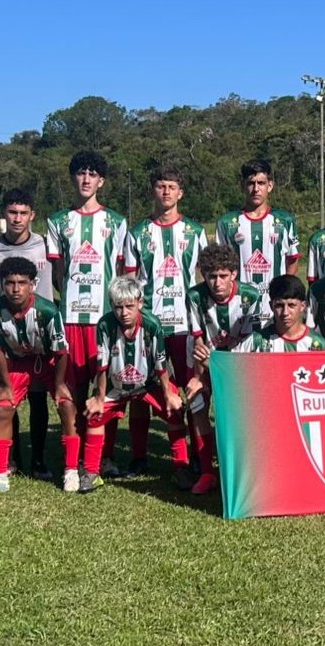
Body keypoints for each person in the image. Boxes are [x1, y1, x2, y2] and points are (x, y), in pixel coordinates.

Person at [46, 151, 129, 475]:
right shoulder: (58, 222)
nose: (85, 179)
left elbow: (122, 270)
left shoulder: (116, 223)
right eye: (80, 173)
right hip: (70, 319)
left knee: (105, 387)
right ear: (73, 178)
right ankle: (74, 455)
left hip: (104, 320)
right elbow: (57, 272)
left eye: (92, 174)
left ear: (101, 181)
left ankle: (103, 455)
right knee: (72, 389)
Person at [122, 167, 208, 477]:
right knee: (140, 389)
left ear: (180, 192)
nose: (166, 192)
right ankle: (139, 455)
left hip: (185, 325)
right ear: (153, 191)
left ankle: (195, 456)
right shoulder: (138, 232)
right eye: (161, 186)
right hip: (148, 326)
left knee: (192, 388)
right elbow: (130, 280)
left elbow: (202, 280)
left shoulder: (195, 231)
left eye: (172, 187)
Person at [0, 257, 79, 495]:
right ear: (2, 284)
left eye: (22, 282)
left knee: (67, 404)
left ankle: (71, 470)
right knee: (2, 406)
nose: (15, 288)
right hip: (17, 363)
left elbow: (61, 351)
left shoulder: (48, 310)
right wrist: (5, 383)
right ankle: (0, 474)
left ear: (33, 284)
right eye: (10, 282)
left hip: (49, 361)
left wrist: (61, 384)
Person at [0, 188, 55, 480]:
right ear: (4, 214)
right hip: (7, 337)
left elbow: (59, 280)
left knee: (38, 399)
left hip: (40, 337)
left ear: (32, 215)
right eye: (12, 213)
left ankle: (38, 459)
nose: (17, 219)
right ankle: (14, 459)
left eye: (23, 213)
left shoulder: (45, 245)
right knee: (9, 398)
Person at [83, 277, 185, 494]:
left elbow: (161, 365)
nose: (124, 312)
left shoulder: (152, 324)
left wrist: (169, 394)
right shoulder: (105, 324)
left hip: (150, 382)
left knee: (175, 410)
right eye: (118, 307)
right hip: (115, 384)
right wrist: (99, 398)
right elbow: (102, 366)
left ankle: (181, 468)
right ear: (112, 306)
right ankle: (91, 473)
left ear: (140, 303)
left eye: (129, 306)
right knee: (94, 414)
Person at [186, 245, 264, 493]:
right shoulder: (195, 296)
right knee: (198, 404)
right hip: (205, 360)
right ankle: (207, 471)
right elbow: (198, 341)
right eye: (211, 276)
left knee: (240, 414)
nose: (217, 282)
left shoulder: (251, 296)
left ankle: (241, 467)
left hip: (240, 362)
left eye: (222, 276)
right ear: (203, 275)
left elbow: (251, 341)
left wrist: (227, 370)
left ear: (234, 274)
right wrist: (200, 378)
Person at [215, 159, 300, 311]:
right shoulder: (226, 223)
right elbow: (220, 266)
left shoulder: (285, 220)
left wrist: (283, 293)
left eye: (261, 183)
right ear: (243, 186)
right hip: (239, 307)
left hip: (275, 307)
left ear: (270, 186)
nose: (256, 189)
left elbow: (292, 261)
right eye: (250, 183)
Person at [236, 275, 325, 353]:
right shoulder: (255, 341)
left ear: (302, 306)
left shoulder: (317, 344)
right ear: (271, 306)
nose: (285, 313)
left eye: (291, 305)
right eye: (279, 305)